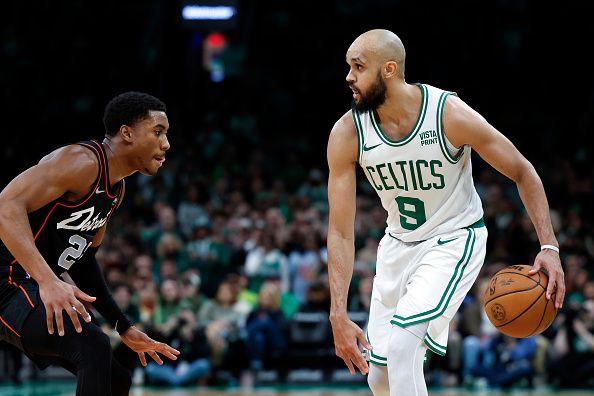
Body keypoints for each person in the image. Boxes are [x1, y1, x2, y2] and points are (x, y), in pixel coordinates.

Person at [326, 29, 565, 396]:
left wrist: (549, 246)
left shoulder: (447, 114)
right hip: (397, 245)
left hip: (453, 238)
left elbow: (522, 170)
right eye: (348, 66)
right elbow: (341, 231)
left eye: (359, 67)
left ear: (389, 70)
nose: (349, 77)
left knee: (405, 347)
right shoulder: (347, 133)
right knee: (380, 377)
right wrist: (337, 313)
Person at [0, 92, 180, 395]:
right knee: (93, 344)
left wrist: (124, 326)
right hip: (8, 281)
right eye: (157, 132)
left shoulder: (115, 189)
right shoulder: (81, 162)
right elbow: (5, 205)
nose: (166, 144)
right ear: (127, 133)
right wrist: (49, 281)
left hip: (29, 286)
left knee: (116, 379)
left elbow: (83, 261)